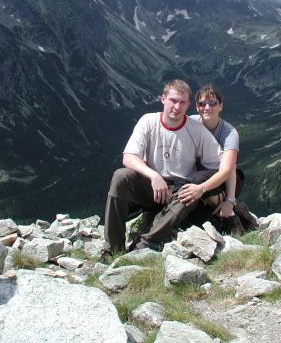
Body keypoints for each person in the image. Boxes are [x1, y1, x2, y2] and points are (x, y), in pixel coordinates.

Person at [103, 79, 232, 254]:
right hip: (152, 185)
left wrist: (228, 198)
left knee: (188, 194)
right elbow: (129, 157)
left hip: (179, 190)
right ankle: (112, 249)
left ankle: (145, 244)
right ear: (163, 99)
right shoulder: (148, 121)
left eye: (182, 102)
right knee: (121, 176)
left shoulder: (196, 130)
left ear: (188, 105)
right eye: (173, 100)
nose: (177, 107)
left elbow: (224, 164)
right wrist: (154, 176)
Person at [187, 85, 243, 222]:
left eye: (212, 103)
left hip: (227, 180)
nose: (207, 107)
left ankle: (232, 212)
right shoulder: (190, 122)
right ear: (197, 107)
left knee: (197, 179)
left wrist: (230, 200)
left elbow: (228, 170)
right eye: (202, 104)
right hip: (202, 173)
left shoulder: (229, 133)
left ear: (221, 106)